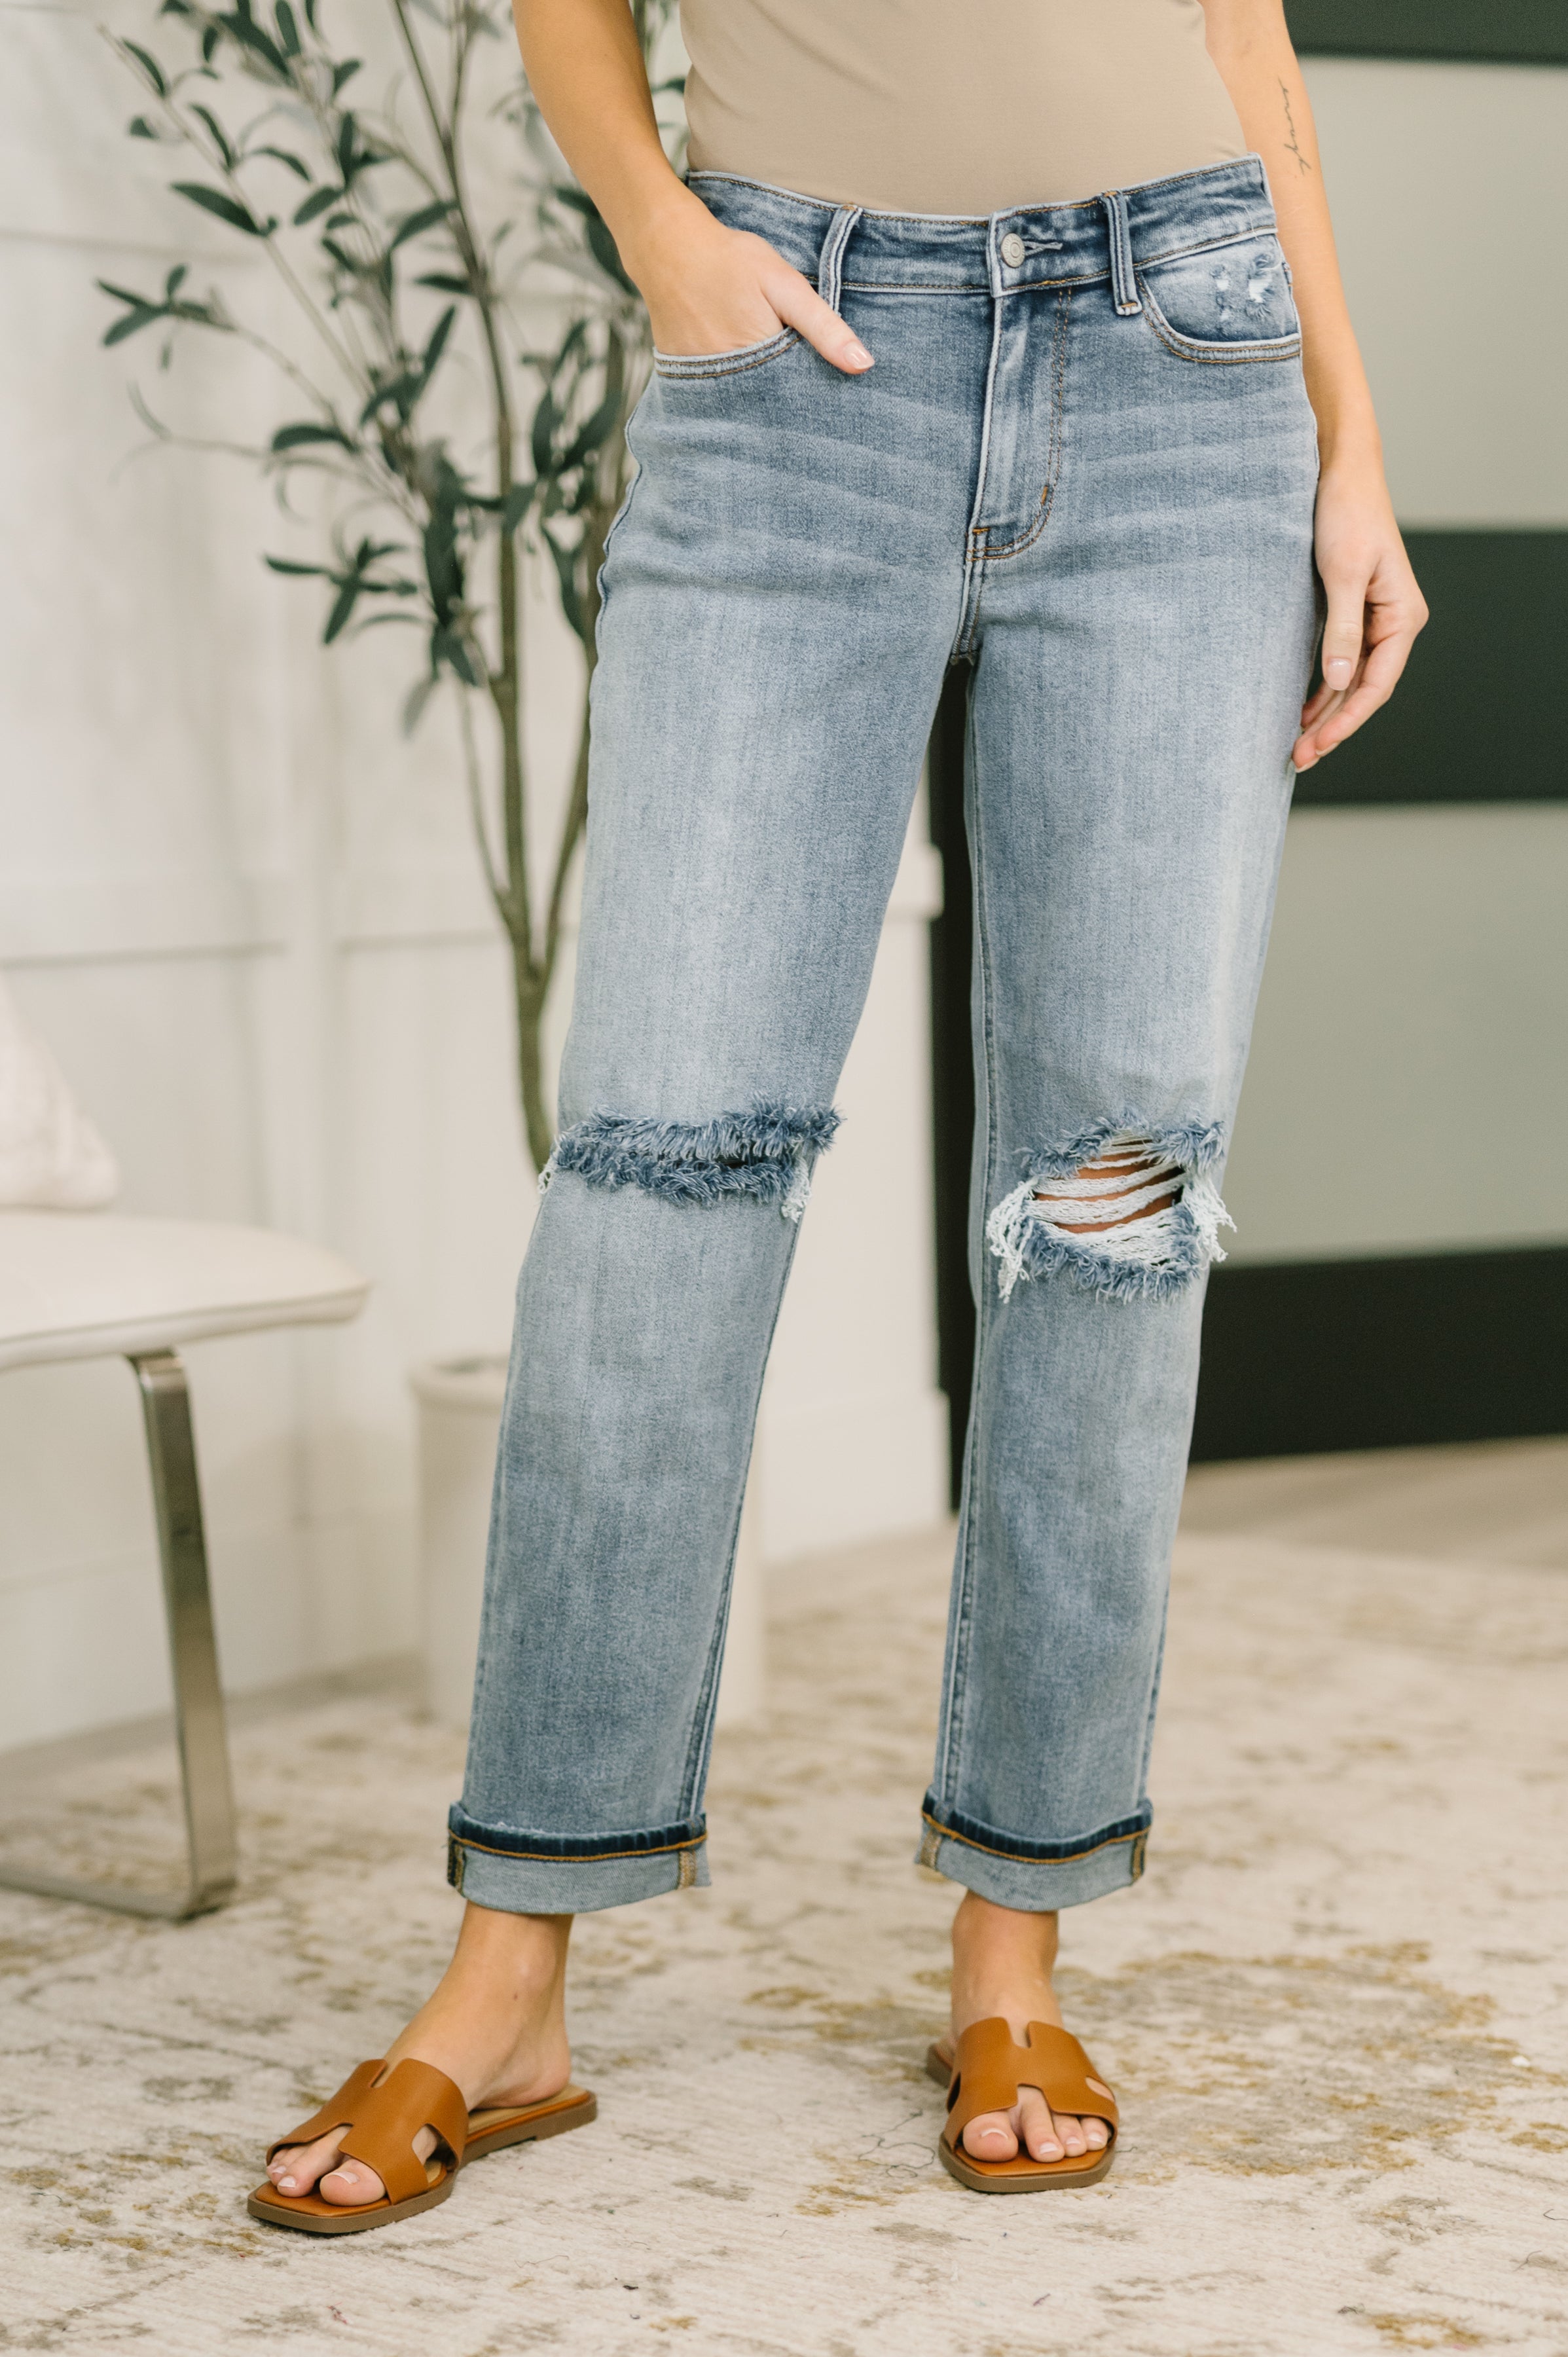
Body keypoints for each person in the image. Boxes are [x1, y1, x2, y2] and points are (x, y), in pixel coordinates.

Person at [251, 0, 1426, 2227]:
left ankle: (1014, 1941)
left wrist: (1349, 446)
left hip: (1188, 360)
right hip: (796, 355)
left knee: (1112, 1195)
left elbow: (1241, 38)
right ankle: (512, 1970)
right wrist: (661, 234)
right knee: (657, 1167)